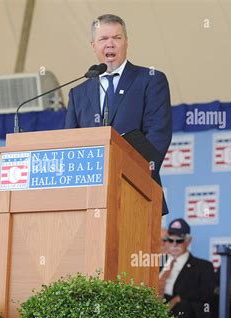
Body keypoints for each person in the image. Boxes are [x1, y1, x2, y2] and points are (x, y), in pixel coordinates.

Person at [65, 14, 172, 214]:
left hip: (138, 194)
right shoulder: (78, 93)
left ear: (126, 42)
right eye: (103, 39)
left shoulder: (150, 80)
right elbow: (70, 144)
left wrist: (131, 176)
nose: (110, 44)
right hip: (88, 200)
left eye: (117, 37)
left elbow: (158, 135)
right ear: (93, 45)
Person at [158, 218, 215, 318]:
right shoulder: (155, 263)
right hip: (154, 304)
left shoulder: (203, 266)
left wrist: (178, 299)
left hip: (180, 307)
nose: (174, 244)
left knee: (183, 307)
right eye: (170, 240)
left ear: (188, 241)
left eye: (179, 241)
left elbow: (206, 292)